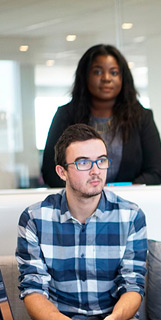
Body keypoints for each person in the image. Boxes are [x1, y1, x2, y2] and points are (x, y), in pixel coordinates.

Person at [17, 124, 147, 319]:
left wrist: (114, 318)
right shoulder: (34, 218)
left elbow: (133, 284)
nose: (96, 171)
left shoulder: (131, 216)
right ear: (62, 172)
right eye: (83, 163)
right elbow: (33, 289)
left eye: (101, 161)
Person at [41, 44, 161, 187]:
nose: (106, 78)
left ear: (123, 78)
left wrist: (123, 194)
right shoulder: (66, 116)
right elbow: (50, 172)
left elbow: (155, 171)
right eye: (98, 72)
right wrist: (86, 192)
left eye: (114, 73)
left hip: (129, 203)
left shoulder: (142, 117)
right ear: (85, 76)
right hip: (79, 205)